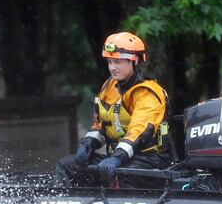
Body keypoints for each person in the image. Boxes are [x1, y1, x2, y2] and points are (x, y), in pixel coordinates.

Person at [55, 31, 171, 188]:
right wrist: (87, 144)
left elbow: (140, 131)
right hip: (118, 157)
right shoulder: (110, 86)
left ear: (134, 61)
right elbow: (101, 125)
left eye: (118, 62)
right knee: (67, 165)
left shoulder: (146, 93)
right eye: (110, 62)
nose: (113, 68)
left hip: (149, 160)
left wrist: (117, 158)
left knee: (120, 174)